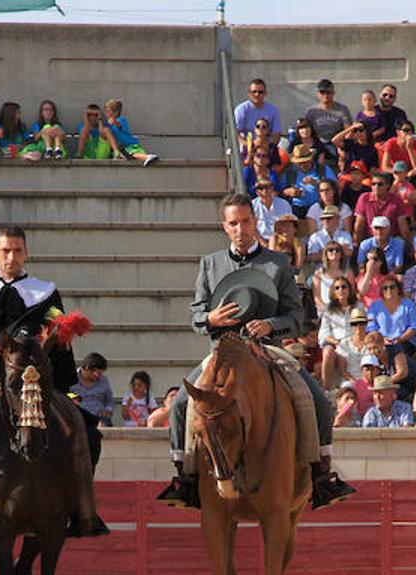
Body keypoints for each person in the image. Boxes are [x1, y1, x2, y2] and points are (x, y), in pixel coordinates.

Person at [157, 193, 353, 511]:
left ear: (254, 222)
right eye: (233, 223)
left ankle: (322, 476)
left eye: (245, 221)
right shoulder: (210, 264)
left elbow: (295, 317)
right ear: (225, 226)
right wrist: (210, 318)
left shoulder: (277, 263)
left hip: (268, 350)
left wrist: (270, 325)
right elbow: (195, 315)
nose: (240, 229)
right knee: (181, 402)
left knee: (315, 398)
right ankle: (186, 478)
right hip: (223, 352)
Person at [0, 225, 106, 545]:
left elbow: (62, 340)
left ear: (26, 253)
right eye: (5, 251)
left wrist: (49, 346)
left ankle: (83, 511)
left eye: (17, 250)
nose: (11, 257)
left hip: (36, 385)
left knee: (88, 433)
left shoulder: (46, 293)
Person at [235, 79, 282, 149]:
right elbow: (236, 134)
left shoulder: (273, 110)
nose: (257, 94)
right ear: (249, 94)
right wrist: (250, 146)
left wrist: (265, 147)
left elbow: (276, 135)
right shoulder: (241, 109)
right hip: (247, 147)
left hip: (267, 148)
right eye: (254, 92)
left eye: (260, 92)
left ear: (265, 93)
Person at [72, 351, 115, 425]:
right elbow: (64, 395)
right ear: (86, 368)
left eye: (101, 373)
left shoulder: (104, 381)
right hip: (76, 417)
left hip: (99, 417)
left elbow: (109, 401)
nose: (99, 376)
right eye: (97, 373)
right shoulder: (70, 378)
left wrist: (108, 410)